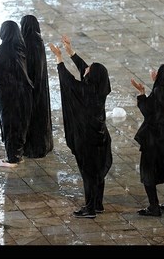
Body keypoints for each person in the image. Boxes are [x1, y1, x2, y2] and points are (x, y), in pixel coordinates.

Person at [49, 35, 112, 219]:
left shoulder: (84, 91)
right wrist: (71, 52)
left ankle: (90, 208)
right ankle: (98, 204)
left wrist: (59, 57)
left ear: (91, 76)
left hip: (87, 140)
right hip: (101, 137)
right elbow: (84, 68)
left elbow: (67, 80)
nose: (86, 70)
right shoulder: (100, 89)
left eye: (89, 70)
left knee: (88, 174)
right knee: (98, 172)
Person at [131, 64, 164, 216]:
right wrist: (157, 82)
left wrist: (141, 93)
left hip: (155, 142)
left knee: (148, 172)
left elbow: (149, 111)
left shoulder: (159, 91)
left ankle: (154, 207)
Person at [0, 20, 33, 167]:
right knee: (19, 124)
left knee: (10, 125)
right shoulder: (19, 46)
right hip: (22, 94)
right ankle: (18, 154)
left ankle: (12, 158)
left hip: (9, 96)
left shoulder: (4, 49)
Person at [20, 15, 53, 158]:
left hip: (30, 88)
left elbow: (24, 65)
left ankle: (32, 147)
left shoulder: (27, 43)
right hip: (40, 87)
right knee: (41, 116)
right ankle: (44, 144)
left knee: (31, 118)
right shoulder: (39, 41)